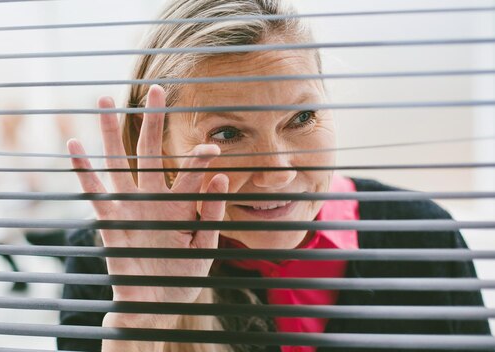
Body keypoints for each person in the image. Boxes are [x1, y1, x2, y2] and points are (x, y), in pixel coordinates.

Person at [58, 1, 492, 351]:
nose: (277, 174)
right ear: (158, 146)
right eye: (227, 133)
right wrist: (143, 328)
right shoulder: (111, 261)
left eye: (301, 117)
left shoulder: (420, 234)